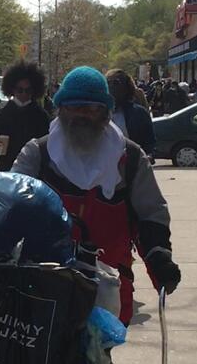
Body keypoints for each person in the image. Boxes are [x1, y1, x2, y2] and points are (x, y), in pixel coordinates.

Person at [13, 66, 181, 325]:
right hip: (44, 284)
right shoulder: (38, 154)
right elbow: (9, 205)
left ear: (105, 112)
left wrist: (159, 257)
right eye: (73, 107)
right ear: (61, 109)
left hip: (109, 286)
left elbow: (151, 213)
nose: (82, 116)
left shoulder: (129, 158)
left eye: (91, 109)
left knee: (99, 358)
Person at [0, 60, 51, 172]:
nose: (24, 94)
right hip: (6, 170)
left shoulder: (41, 116)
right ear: (12, 89)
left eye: (28, 90)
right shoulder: (2, 115)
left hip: (33, 172)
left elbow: (46, 146)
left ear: (34, 90)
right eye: (20, 90)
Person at [106, 69, 155, 156]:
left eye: (116, 83)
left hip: (131, 165)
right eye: (108, 83)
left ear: (126, 88)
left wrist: (148, 156)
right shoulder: (95, 113)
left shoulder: (139, 114)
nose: (111, 87)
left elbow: (149, 144)